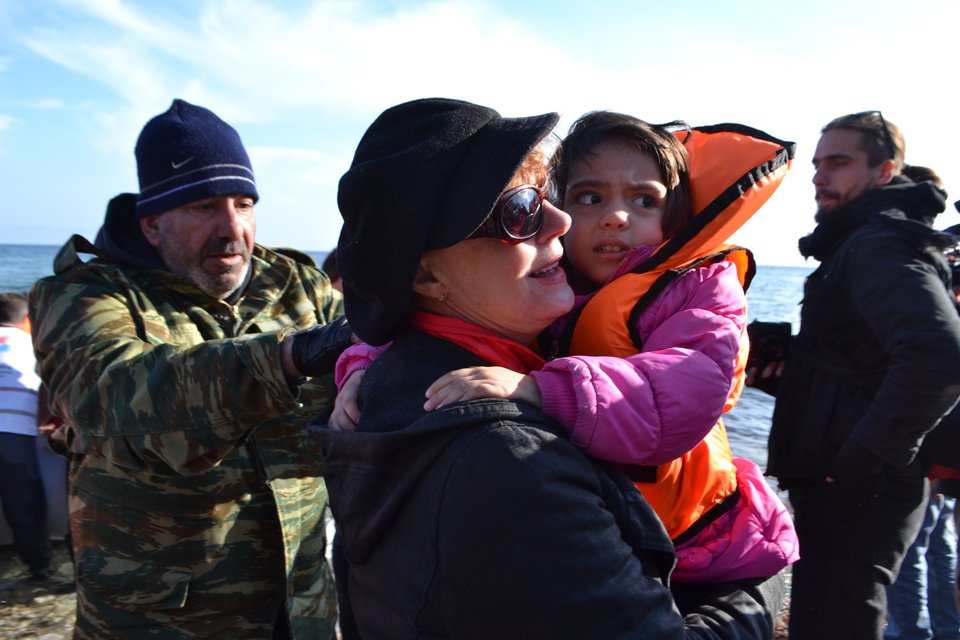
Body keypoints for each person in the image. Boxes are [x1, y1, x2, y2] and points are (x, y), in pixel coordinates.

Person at [314, 96, 785, 639]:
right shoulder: (509, 458)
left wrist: (363, 362)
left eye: (545, 199)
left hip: (707, 525)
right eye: (519, 212)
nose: (559, 222)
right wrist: (758, 595)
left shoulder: (400, 386)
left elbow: (688, 381)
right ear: (425, 278)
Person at [29, 99, 353, 639]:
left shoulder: (298, 285)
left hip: (301, 609)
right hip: (162, 620)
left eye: (243, 204)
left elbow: (376, 360)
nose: (232, 227)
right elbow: (113, 395)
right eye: (204, 207)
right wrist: (291, 356)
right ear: (152, 223)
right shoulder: (84, 295)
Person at [764, 111, 960, 638]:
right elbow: (864, 366)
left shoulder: (878, 242)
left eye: (839, 163)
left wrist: (861, 459)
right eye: (817, 164)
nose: (819, 177)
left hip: (860, 485)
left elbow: (939, 358)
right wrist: (790, 367)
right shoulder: (859, 240)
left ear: (884, 170)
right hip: (849, 476)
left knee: (838, 620)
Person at [884, 168, 960, 640]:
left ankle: (910, 632)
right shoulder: (943, 248)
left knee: (913, 537)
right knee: (937, 531)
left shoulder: (939, 251)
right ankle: (945, 628)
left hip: (939, 424)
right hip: (945, 422)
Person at [0, 291, 52, 582]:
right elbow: (49, 384)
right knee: (23, 502)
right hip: (14, 430)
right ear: (28, 322)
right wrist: (45, 422)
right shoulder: (35, 343)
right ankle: (39, 568)